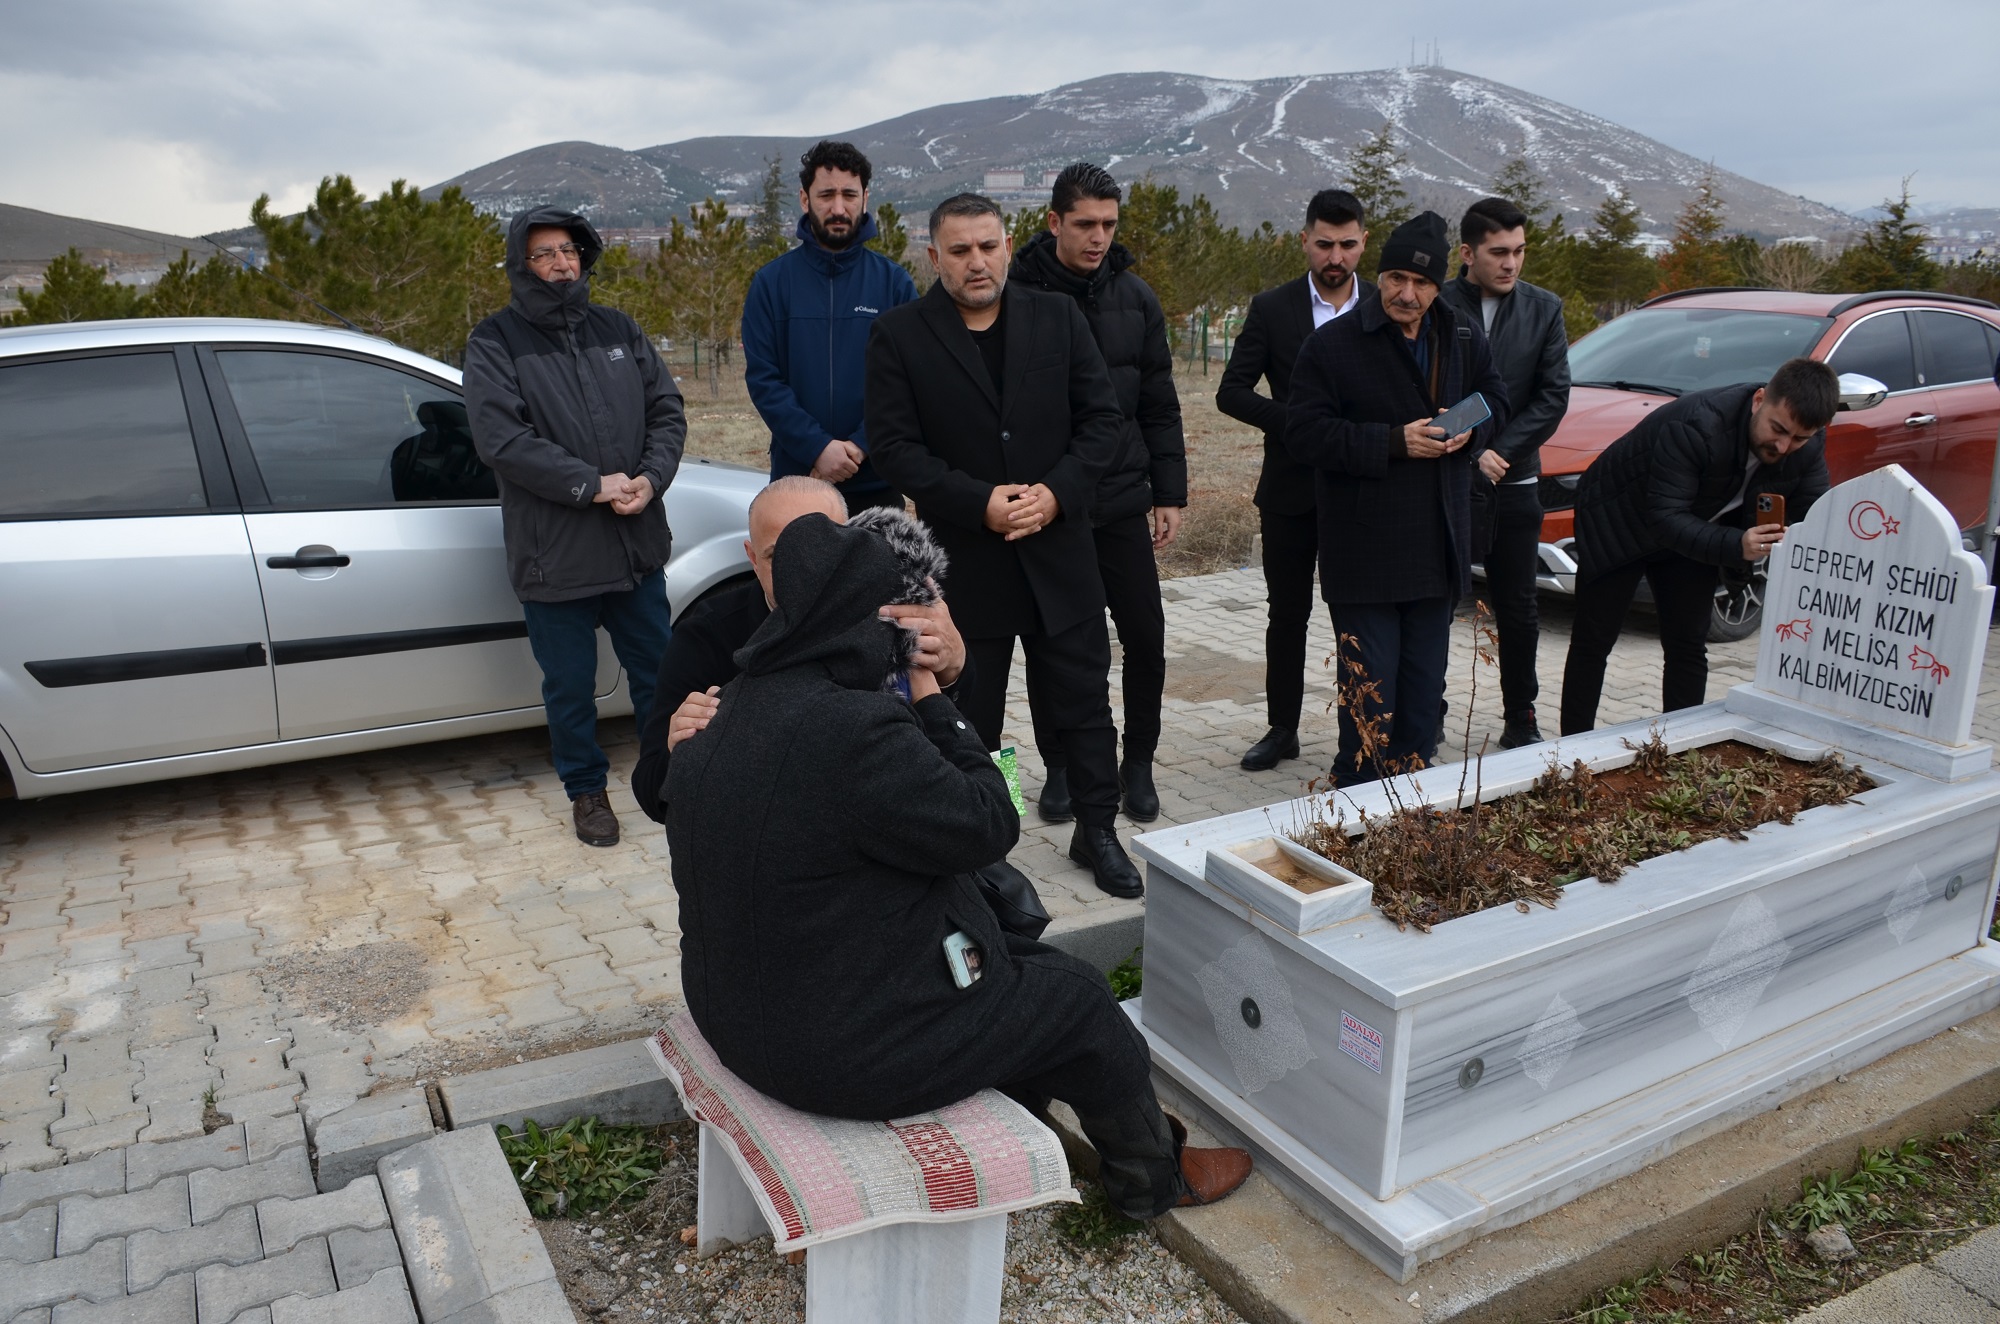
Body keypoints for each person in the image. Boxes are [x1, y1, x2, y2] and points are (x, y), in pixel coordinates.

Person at [662, 513, 1251, 1221]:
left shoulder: (728, 704)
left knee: (1007, 952)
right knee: (1079, 997)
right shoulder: (854, 728)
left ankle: (1029, 1098)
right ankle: (1152, 1185)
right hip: (833, 1054)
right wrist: (933, 695)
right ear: (882, 624)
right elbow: (990, 822)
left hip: (740, 1012)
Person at [866, 193, 1139, 897]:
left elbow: (1102, 423)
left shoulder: (1057, 317)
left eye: (987, 246)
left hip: (1060, 552)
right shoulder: (901, 335)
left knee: (1082, 704)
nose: (976, 262)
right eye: (959, 251)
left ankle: (1096, 829)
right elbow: (896, 448)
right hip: (967, 563)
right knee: (973, 717)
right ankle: (989, 840)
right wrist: (979, 502)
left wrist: (1056, 493)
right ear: (934, 257)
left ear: (1009, 246)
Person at [466, 207, 685, 848]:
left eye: (569, 250)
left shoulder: (618, 328)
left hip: (634, 543)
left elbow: (666, 410)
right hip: (554, 554)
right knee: (569, 687)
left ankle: (667, 779)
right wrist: (590, 484)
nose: (562, 263)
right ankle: (587, 792)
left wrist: (651, 477)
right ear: (521, 264)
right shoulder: (495, 341)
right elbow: (501, 439)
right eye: (545, 253)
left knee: (658, 672)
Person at [1285, 211, 1508, 787]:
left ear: (1440, 286)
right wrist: (1392, 442)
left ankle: (1410, 804)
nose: (1407, 295)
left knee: (1420, 697)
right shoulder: (1332, 344)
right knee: (1369, 694)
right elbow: (1304, 433)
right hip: (1365, 551)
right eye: (1395, 280)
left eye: (1422, 284)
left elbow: (1495, 398)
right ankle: (1355, 801)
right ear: (1379, 274)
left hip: (1438, 544)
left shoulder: (1460, 334)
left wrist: (1468, 431)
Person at [1010, 162, 1186, 824]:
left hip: (1119, 498)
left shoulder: (1136, 300)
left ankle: (1135, 762)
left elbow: (1160, 402)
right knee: (1053, 642)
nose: (1099, 238)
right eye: (1085, 224)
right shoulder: (1018, 294)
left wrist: (1168, 491)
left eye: (1109, 225)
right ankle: (1061, 766)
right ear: (1054, 221)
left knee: (1144, 634)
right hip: (1049, 503)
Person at [629, 476, 969, 817]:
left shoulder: (899, 609)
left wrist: (955, 671)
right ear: (752, 558)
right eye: (780, 555)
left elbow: (977, 737)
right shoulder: (706, 636)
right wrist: (678, 751)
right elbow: (650, 793)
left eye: (824, 548)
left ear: (855, 542)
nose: (804, 571)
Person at [1559, 358, 1836, 735]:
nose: (1785, 446)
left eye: (1799, 438)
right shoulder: (1697, 424)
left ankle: (1679, 749)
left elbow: (1812, 516)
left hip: (1697, 525)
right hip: (1620, 521)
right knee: (1595, 641)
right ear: (1759, 400)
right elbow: (1664, 517)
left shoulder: (1807, 445)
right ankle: (1573, 749)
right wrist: (1737, 544)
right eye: (1778, 429)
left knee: (1688, 644)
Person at [1217, 190, 1373, 770]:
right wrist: (1300, 424)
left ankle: (1361, 733)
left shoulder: (1383, 305)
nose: (1336, 256)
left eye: (1348, 244)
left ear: (1363, 243)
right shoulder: (1273, 307)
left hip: (1362, 490)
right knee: (1287, 615)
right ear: (1305, 240)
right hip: (1288, 491)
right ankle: (1282, 728)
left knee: (1357, 617)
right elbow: (1231, 391)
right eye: (1325, 244)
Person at [1438, 197, 1572, 750]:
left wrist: (1503, 452)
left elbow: (1552, 395)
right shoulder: (1439, 303)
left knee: (1518, 608)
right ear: (1468, 252)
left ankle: (1522, 716)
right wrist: (1472, 452)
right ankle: (1427, 710)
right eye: (1499, 252)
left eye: (1519, 251)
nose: (1511, 263)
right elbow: (1436, 392)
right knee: (1439, 601)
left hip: (1515, 482)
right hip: (1448, 480)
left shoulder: (1544, 308)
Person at [741, 140, 917, 514]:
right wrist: (817, 448)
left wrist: (860, 446)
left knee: (883, 576)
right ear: (805, 200)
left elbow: (909, 380)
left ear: (865, 198)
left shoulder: (894, 284)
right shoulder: (772, 284)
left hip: (879, 481)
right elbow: (764, 380)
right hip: (798, 483)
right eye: (826, 195)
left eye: (849, 194)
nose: (838, 208)